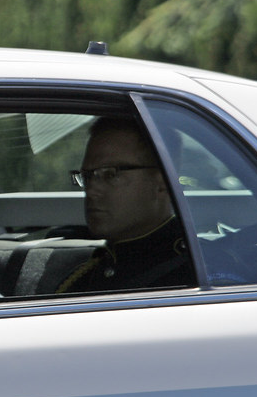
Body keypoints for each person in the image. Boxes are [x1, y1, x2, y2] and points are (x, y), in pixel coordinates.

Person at [56, 116, 194, 294]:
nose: (91, 190)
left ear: (162, 183)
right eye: (88, 176)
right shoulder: (86, 275)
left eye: (110, 174)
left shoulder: (187, 277)